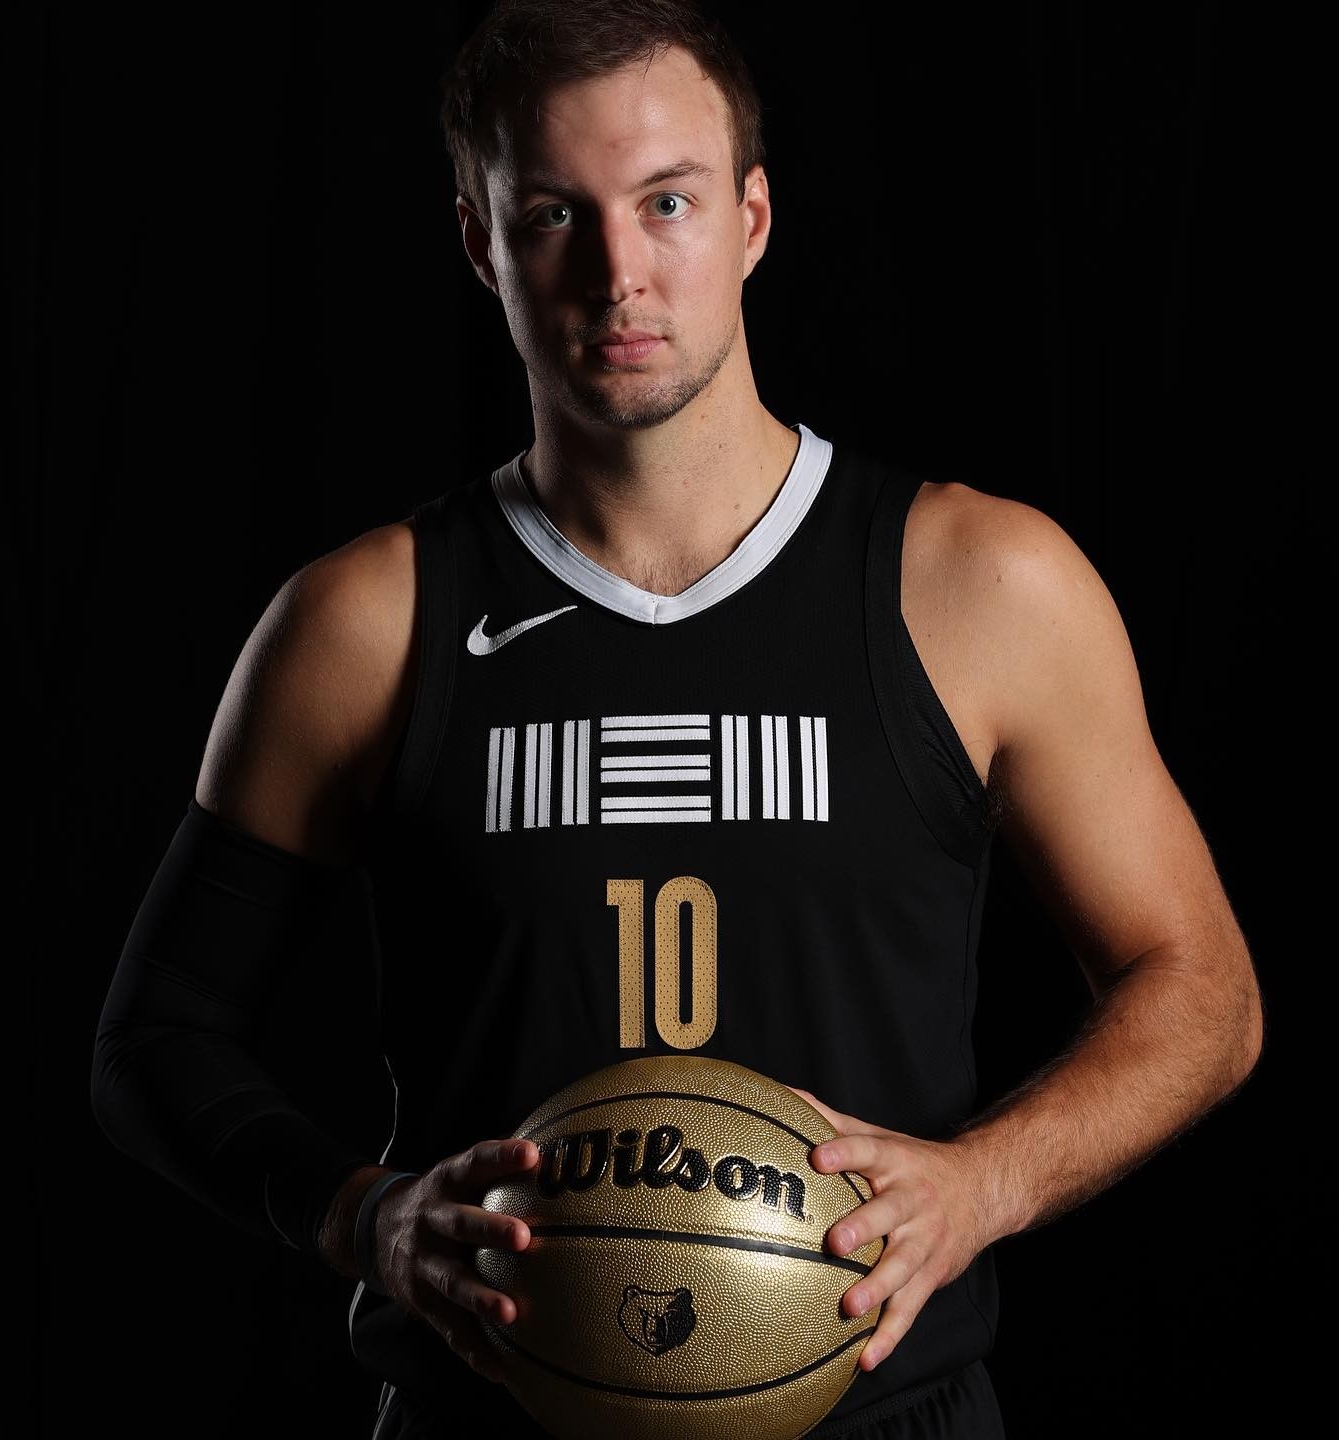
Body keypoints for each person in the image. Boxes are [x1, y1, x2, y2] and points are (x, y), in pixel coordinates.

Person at [91, 2, 1265, 1436]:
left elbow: (1203, 991)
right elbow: (157, 1039)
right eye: (554, 215)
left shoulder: (978, 583)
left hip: (880, 1413)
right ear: (480, 245)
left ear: (753, 217)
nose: (619, 272)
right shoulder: (365, 622)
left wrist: (985, 1184)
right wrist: (368, 1218)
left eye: (668, 202)